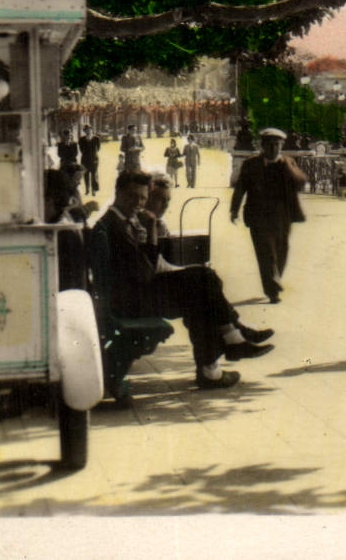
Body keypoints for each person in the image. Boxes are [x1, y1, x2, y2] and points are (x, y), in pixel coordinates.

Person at [95, 171, 273, 389]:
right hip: (131, 302)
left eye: (142, 198)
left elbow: (143, 268)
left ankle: (221, 357)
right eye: (133, 196)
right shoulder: (116, 226)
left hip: (133, 295)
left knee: (202, 288)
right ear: (118, 192)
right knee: (203, 281)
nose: (138, 203)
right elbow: (146, 273)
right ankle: (228, 344)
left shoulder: (120, 221)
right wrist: (151, 232)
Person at [229, 127, 307, 304]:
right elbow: (241, 188)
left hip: (282, 216)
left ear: (281, 146)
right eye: (269, 145)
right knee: (265, 252)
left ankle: (275, 279)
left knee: (281, 250)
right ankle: (272, 289)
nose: (273, 149)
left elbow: (300, 182)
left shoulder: (288, 163)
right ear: (262, 146)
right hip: (258, 216)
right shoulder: (251, 164)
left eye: (277, 145)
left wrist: (288, 167)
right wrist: (234, 209)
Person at [77, 124, 102, 195]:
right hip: (85, 160)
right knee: (86, 175)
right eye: (86, 130)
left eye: (90, 129)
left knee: (94, 175)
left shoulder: (96, 139)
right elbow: (81, 150)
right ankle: (87, 189)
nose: (88, 131)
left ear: (92, 130)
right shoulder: (81, 139)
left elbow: (98, 148)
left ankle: (94, 190)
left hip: (94, 159)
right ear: (84, 131)